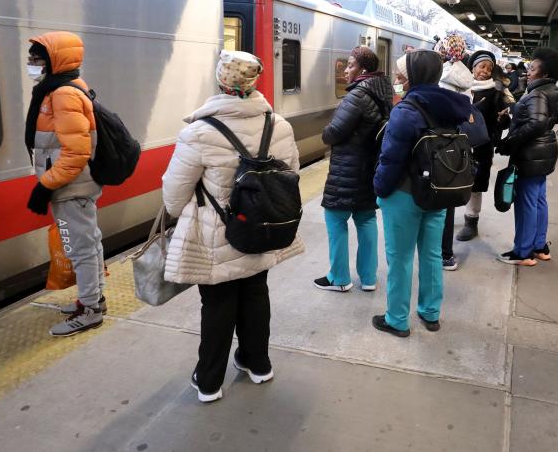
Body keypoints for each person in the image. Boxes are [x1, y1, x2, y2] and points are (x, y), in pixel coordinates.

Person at [162, 50, 303, 402]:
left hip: (217, 237)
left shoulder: (198, 132)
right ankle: (258, 364)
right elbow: (293, 176)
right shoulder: (279, 125)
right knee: (256, 294)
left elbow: (174, 198)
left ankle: (209, 381)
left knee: (218, 304)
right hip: (262, 230)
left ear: (220, 81)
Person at [372, 50, 476, 337]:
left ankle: (396, 319)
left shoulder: (406, 110)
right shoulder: (452, 105)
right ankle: (431, 313)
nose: (397, 78)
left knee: (401, 258)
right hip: (439, 190)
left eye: (401, 73)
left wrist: (379, 189)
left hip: (404, 194)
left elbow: (391, 159)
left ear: (414, 76)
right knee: (431, 255)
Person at [24, 32, 107, 337]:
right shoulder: (60, 89)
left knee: (79, 247)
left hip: (71, 186)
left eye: (37, 58)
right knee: (89, 243)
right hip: (71, 184)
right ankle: (94, 299)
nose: (31, 63)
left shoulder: (63, 94)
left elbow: (76, 152)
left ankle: (90, 311)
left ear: (53, 61)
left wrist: (44, 185)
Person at [315, 46, 393, 292]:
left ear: (363, 69)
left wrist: (325, 132)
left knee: (335, 218)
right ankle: (368, 278)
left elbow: (333, 133)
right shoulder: (383, 93)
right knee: (366, 218)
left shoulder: (357, 95)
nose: (345, 70)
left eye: (349, 65)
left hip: (347, 170)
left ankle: (339, 278)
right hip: (369, 169)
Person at [495, 48, 558, 266]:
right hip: (543, 153)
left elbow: (536, 122)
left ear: (544, 73)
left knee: (526, 203)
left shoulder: (537, 93)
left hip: (531, 154)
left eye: (532, 69)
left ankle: (522, 252)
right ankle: (539, 246)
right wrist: (516, 109)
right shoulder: (551, 89)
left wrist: (510, 142)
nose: (528, 72)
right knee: (539, 200)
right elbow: (555, 116)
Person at [453, 51, 512, 246]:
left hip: (481, 145)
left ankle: (471, 221)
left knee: (475, 184)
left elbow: (503, 123)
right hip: (457, 143)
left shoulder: (496, 92)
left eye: (489, 68)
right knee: (452, 179)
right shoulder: (460, 86)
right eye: (482, 67)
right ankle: (449, 216)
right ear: (473, 67)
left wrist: (502, 118)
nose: (485, 71)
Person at [437, 52, 475, 270]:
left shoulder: (440, 79)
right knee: (448, 201)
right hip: (458, 145)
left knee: (434, 200)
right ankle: (446, 255)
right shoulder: (467, 79)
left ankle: (434, 252)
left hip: (437, 146)